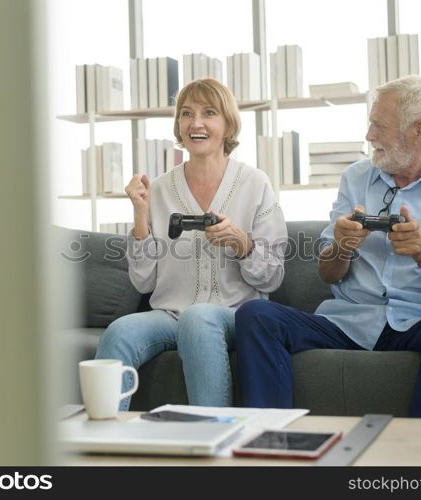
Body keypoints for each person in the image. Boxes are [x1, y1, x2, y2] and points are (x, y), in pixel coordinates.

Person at [235, 75, 421, 418]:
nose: (369, 135)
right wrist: (342, 247)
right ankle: (271, 445)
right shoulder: (356, 177)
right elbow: (328, 272)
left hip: (417, 322)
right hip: (348, 320)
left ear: (418, 130)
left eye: (379, 125)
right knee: (256, 315)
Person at [95, 78, 287, 409]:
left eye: (208, 113)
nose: (195, 123)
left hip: (233, 314)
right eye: (186, 114)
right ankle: (104, 444)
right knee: (119, 331)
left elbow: (272, 277)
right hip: (170, 315)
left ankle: (213, 437)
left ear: (227, 125)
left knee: (198, 319)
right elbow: (144, 281)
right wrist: (141, 215)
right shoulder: (158, 188)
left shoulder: (256, 183)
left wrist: (242, 244)